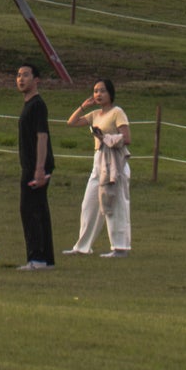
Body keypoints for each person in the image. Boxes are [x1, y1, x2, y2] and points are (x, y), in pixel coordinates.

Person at [63, 77, 131, 255]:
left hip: (115, 162)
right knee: (89, 204)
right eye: (95, 91)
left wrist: (105, 138)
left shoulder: (117, 112)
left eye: (102, 91)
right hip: (99, 161)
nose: (98, 94)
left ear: (110, 93)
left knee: (115, 204)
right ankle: (82, 247)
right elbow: (71, 122)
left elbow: (127, 138)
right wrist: (83, 106)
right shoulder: (94, 115)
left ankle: (120, 247)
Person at [15, 63, 54, 268]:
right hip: (32, 166)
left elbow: (42, 136)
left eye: (26, 75)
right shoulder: (29, 104)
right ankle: (46, 259)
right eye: (19, 75)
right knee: (39, 209)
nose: (21, 79)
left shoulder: (37, 105)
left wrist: (39, 168)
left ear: (36, 79)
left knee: (30, 211)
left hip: (35, 167)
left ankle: (37, 258)